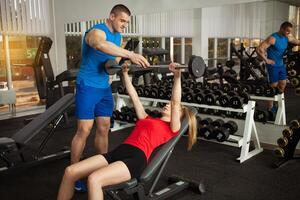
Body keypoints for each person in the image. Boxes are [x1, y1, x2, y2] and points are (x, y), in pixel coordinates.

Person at [57, 63, 197, 200]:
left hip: (135, 159)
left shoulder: (172, 128)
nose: (168, 105)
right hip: (119, 151)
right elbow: (134, 96)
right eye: (168, 104)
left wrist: (177, 77)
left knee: (94, 180)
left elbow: (175, 101)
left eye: (175, 109)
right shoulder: (146, 118)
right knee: (70, 171)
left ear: (179, 117)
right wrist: (124, 74)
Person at [71, 4, 150, 191]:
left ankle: (102, 169)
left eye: (127, 22)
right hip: (88, 86)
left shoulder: (118, 35)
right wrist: (130, 54)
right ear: (111, 16)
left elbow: (110, 62)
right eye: (122, 20)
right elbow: (99, 44)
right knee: (84, 129)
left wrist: (119, 68)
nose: (124, 25)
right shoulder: (97, 31)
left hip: (104, 89)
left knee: (104, 128)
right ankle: (73, 173)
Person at [257, 21, 300, 112]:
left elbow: (297, 41)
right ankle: (270, 107)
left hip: (281, 65)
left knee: (283, 83)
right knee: (273, 86)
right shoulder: (273, 38)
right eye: (287, 31)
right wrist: (266, 60)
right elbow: (259, 49)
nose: (289, 33)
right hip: (273, 66)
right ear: (282, 29)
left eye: (290, 31)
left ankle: (277, 103)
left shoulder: (287, 37)